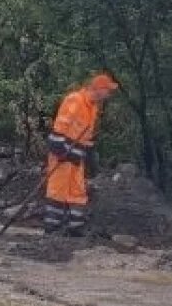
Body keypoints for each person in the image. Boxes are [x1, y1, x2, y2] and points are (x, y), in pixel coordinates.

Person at [44, 73, 119, 236]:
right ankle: (52, 229)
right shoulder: (75, 100)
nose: (109, 95)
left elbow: (85, 136)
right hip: (63, 154)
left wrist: (89, 153)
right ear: (99, 89)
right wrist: (60, 150)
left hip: (76, 157)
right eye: (108, 90)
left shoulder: (93, 108)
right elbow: (61, 125)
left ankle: (75, 228)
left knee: (77, 192)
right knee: (58, 190)